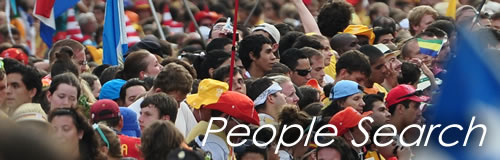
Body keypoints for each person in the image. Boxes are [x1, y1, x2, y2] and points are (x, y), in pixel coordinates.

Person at [191, 91, 260, 160]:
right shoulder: (212, 143)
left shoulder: (217, 136)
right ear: (224, 118)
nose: (245, 132)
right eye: (242, 126)